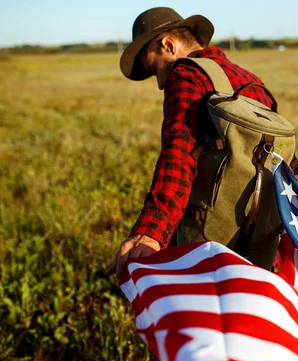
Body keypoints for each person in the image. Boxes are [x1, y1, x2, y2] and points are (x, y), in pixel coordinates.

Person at [105, 7, 275, 279]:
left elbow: (178, 154)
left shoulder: (186, 74)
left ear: (169, 45)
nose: (161, 82)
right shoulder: (252, 81)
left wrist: (150, 232)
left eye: (156, 68)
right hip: (261, 238)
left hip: (206, 242)